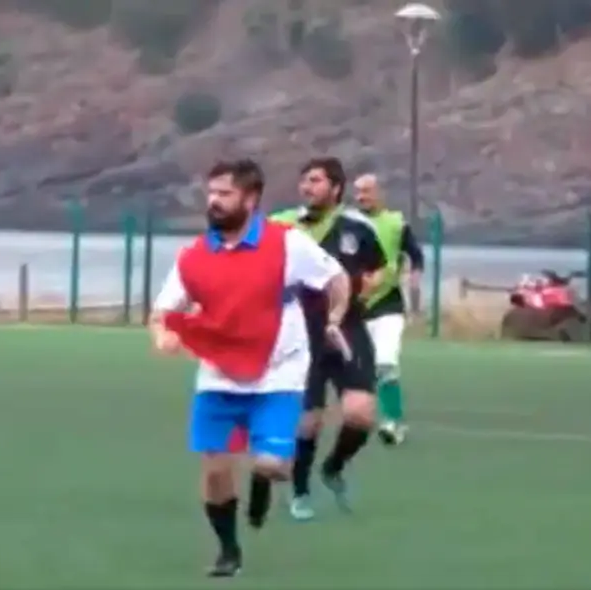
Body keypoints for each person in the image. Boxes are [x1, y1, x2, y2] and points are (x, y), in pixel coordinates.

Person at [150, 158, 350, 577]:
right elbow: (163, 311)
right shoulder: (194, 256)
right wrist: (163, 336)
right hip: (219, 372)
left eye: (225, 194)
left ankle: (263, 480)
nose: (215, 201)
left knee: (271, 465)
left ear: (251, 198)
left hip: (279, 370)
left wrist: (334, 319)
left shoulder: (286, 243)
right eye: (211, 193)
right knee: (217, 472)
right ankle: (229, 551)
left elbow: (336, 278)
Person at [268, 157, 386, 521]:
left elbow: (378, 267)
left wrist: (366, 288)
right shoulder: (281, 225)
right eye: (304, 181)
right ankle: (300, 491)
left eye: (316, 181)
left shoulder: (357, 227)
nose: (307, 187)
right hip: (299, 332)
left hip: (347, 328)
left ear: (336, 187)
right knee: (308, 421)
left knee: (360, 415)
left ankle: (333, 467)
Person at [353, 174, 424, 446]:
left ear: (380, 192)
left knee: (386, 361)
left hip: (388, 305)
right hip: (356, 306)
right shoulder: (347, 224)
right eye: (358, 192)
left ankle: (393, 422)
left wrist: (415, 275)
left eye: (367, 191)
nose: (362, 197)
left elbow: (415, 255)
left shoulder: (396, 223)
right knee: (355, 369)